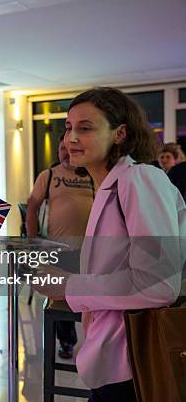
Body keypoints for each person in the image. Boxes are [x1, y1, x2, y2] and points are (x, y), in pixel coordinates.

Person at [34, 87, 184, 402]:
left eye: (85, 128)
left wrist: (68, 285)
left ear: (119, 133)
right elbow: (121, 262)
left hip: (134, 362)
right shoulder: (109, 185)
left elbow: (158, 284)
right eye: (68, 128)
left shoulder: (139, 179)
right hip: (112, 357)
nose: (70, 138)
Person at [26, 134, 94, 359]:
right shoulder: (49, 175)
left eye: (69, 148)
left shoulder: (93, 175)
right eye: (61, 149)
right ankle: (66, 342)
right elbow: (32, 208)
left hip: (91, 251)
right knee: (62, 299)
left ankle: (94, 341)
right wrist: (34, 241)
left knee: (92, 298)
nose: (66, 152)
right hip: (59, 251)